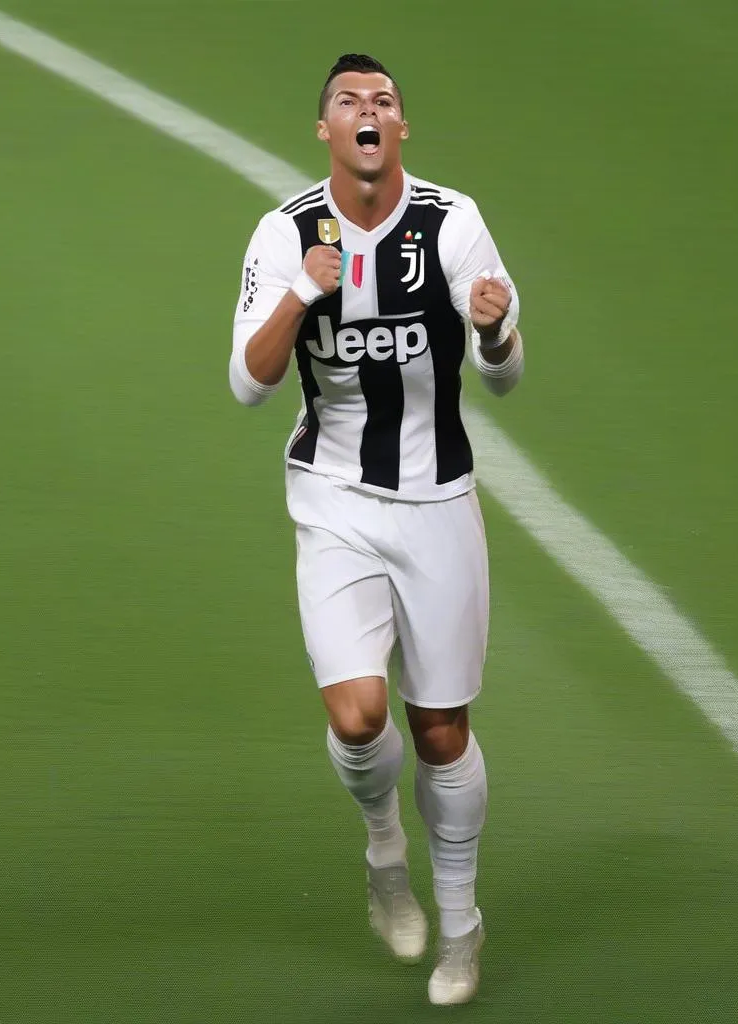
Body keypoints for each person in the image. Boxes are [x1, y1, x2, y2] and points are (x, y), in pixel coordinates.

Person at [229, 52, 523, 1006]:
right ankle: (384, 852)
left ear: (401, 131)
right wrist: (304, 293)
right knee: (358, 717)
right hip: (335, 501)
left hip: (438, 502)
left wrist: (493, 333)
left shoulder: (453, 221)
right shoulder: (285, 234)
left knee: (440, 733)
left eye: (384, 101)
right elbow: (247, 383)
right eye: (349, 101)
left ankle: (464, 926)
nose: (368, 110)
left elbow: (507, 375)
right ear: (326, 131)